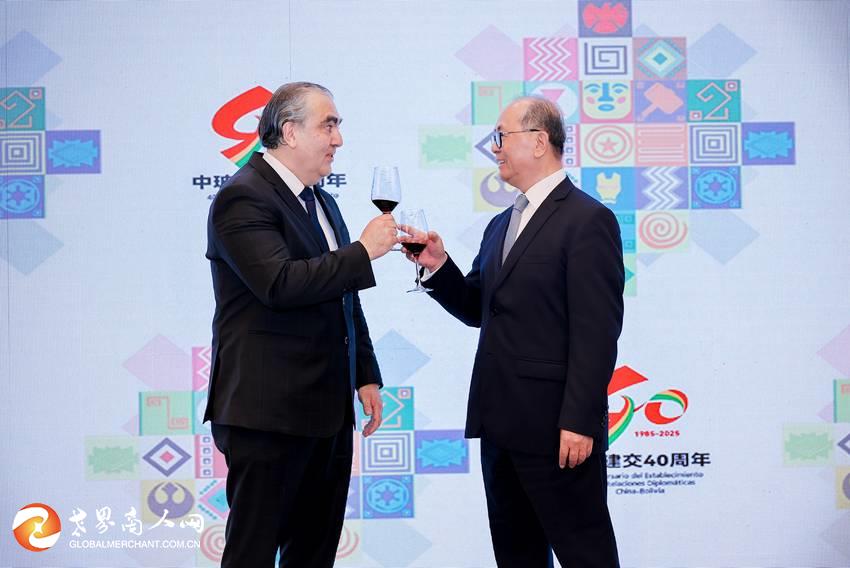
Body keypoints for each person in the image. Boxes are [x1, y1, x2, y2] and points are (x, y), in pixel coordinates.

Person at [402, 96, 624, 567]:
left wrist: (579, 421)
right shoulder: (501, 223)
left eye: (502, 136)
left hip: (558, 432)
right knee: (516, 557)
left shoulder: (587, 220)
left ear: (539, 141)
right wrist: (438, 266)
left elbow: (597, 333)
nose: (495, 148)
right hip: (500, 427)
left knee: (586, 555)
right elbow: (478, 308)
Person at [204, 82, 397, 568]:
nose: (338, 139)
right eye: (328, 126)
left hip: (327, 413)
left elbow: (343, 295)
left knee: (313, 554)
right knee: (252, 553)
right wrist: (363, 252)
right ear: (289, 132)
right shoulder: (242, 197)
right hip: (267, 416)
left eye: (338, 127)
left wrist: (365, 373)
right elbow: (279, 284)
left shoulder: (322, 201)